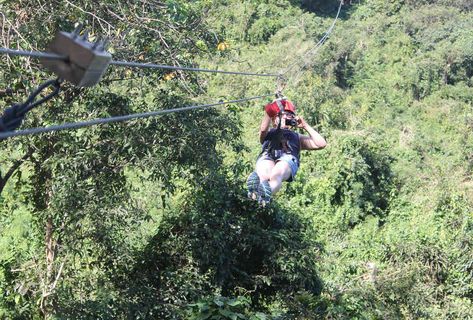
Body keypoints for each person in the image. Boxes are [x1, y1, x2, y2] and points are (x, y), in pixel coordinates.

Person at [247, 98, 327, 206]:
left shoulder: (298, 138)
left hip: (287, 159)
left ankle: (264, 194)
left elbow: (321, 144)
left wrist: (305, 126)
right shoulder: (268, 133)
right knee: (264, 174)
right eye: (281, 115)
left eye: (289, 115)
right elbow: (262, 129)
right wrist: (270, 111)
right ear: (274, 119)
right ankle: (255, 195)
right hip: (267, 155)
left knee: (277, 173)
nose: (285, 117)